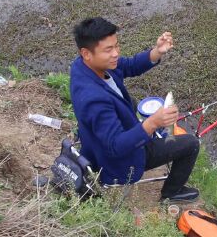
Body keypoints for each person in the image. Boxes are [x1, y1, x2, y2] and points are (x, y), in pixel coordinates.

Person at [70, 17, 200, 202]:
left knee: (131, 103)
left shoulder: (85, 66)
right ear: (86, 53)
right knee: (191, 144)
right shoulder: (93, 99)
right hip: (119, 161)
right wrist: (152, 123)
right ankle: (172, 193)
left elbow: (129, 65)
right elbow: (116, 147)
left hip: (101, 143)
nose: (116, 53)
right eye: (108, 49)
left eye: (116, 46)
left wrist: (157, 52)